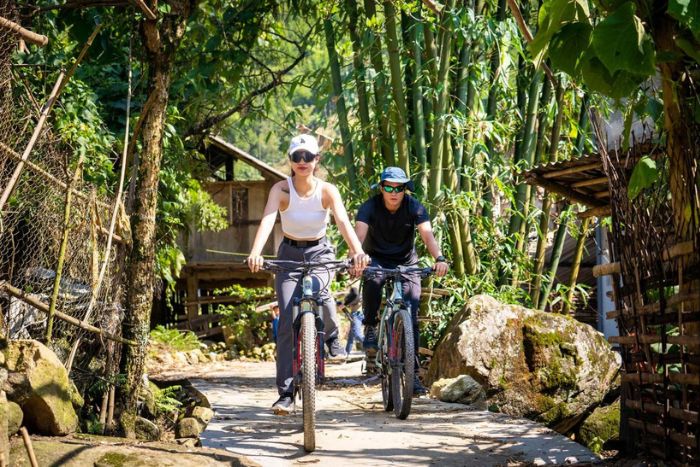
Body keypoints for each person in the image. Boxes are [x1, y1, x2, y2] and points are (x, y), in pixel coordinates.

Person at [247, 133, 369, 415]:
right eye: (296, 157)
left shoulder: (327, 190)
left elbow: (342, 221)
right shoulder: (281, 189)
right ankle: (286, 394)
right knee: (288, 317)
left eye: (308, 157)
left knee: (325, 297)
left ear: (317, 160)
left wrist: (357, 251)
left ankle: (332, 335)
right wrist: (256, 252)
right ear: (290, 160)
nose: (302, 162)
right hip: (288, 254)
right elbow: (267, 219)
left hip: (320, 253)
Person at [353, 166, 449, 395]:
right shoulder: (369, 207)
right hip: (376, 259)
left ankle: (412, 375)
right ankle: (370, 326)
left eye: (399, 188)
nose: (394, 192)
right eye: (388, 187)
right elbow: (358, 237)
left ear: (405, 189)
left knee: (412, 313)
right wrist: (356, 258)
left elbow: (427, 235)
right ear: (381, 188)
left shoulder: (414, 207)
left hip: (407, 262)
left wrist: (440, 258)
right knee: (373, 281)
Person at [339, 286, 364, 355]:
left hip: (359, 314)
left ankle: (368, 345)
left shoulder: (357, 294)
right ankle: (347, 353)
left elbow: (356, 296)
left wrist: (344, 304)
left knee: (354, 335)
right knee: (353, 335)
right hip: (355, 315)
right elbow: (342, 308)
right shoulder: (348, 298)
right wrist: (343, 305)